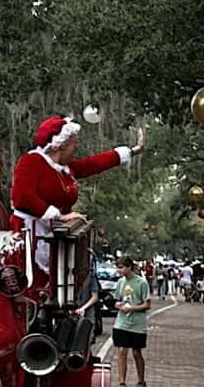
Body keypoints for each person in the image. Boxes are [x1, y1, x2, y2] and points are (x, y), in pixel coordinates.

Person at [9, 115, 141, 279]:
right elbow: (22, 196)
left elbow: (93, 164)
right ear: (60, 146)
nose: (76, 148)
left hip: (55, 234)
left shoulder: (63, 168)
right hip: (30, 233)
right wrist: (59, 216)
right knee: (35, 282)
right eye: (73, 144)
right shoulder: (31, 161)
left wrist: (130, 151)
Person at [111, 254, 153, 387]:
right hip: (122, 322)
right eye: (118, 267)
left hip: (137, 324)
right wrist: (118, 304)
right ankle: (122, 383)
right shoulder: (121, 282)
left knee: (136, 352)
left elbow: (147, 304)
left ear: (129, 267)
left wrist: (132, 308)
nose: (119, 270)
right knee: (122, 351)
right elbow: (117, 299)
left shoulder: (141, 282)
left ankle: (141, 382)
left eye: (122, 267)